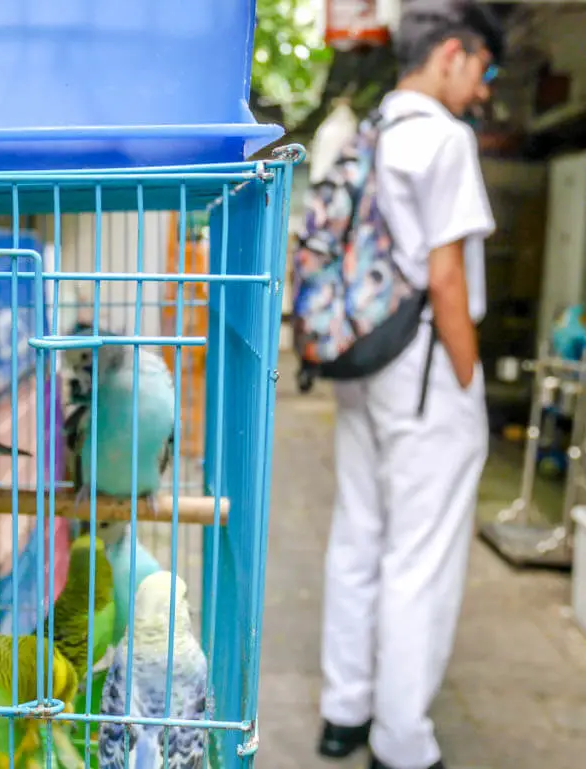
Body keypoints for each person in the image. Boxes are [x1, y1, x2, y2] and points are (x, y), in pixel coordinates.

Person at [316, 3, 505, 769]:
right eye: (484, 72)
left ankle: (344, 710)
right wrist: (470, 378)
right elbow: (448, 276)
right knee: (419, 558)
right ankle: (401, 740)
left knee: (359, 535)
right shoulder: (444, 139)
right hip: (426, 369)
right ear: (452, 55)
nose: (484, 91)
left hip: (362, 363)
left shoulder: (372, 129)